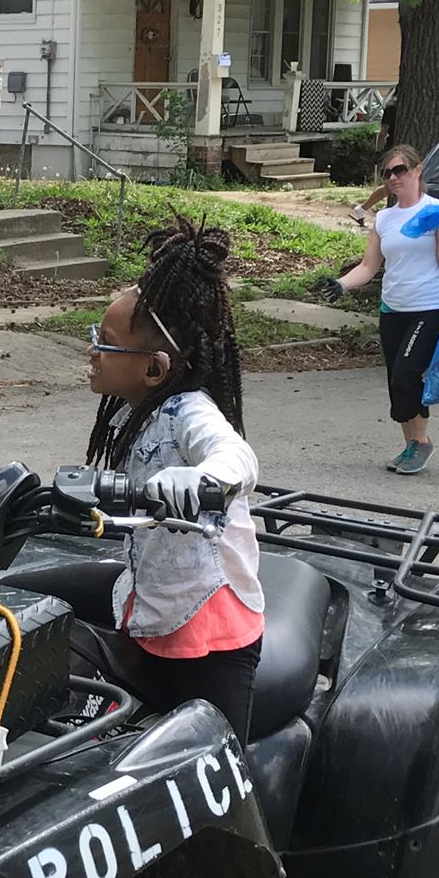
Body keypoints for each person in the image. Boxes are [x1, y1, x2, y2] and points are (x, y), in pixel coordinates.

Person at [82, 218, 263, 739]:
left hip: (210, 628)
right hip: (147, 595)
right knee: (21, 604)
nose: (92, 348)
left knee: (220, 770)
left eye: (106, 341)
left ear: (155, 369)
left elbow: (235, 455)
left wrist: (202, 478)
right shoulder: (131, 411)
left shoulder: (188, 410)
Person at [326, 143, 439, 474]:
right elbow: (369, 266)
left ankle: (422, 442)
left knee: (407, 373)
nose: (393, 178)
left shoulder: (438, 210)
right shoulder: (385, 218)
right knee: (396, 380)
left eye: (400, 170)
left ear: (418, 170)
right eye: (387, 173)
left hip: (431, 307)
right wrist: (342, 283)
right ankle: (409, 446)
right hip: (394, 310)